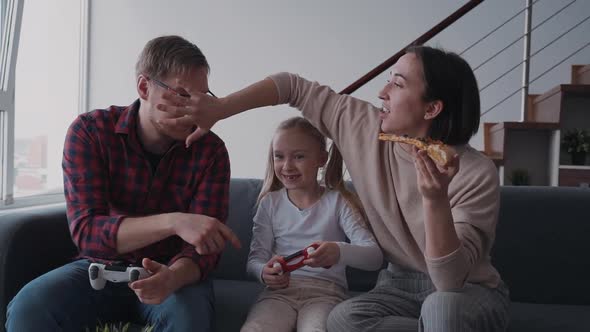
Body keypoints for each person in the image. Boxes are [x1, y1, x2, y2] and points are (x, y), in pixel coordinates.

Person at [156, 45, 511, 331]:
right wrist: (220, 108)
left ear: (432, 107)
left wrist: (435, 201)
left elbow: (449, 281)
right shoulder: (365, 128)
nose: (382, 92)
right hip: (397, 286)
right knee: (343, 319)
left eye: (398, 84)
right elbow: (291, 86)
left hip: (465, 291)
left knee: (442, 305)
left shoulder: (474, 173)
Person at [5, 35, 241, 332]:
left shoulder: (211, 151)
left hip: (171, 274)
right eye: (182, 94)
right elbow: (88, 232)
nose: (195, 109)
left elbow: (202, 251)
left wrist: (173, 277)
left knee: (189, 318)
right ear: (144, 87)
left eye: (202, 97)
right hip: (97, 269)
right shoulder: (90, 132)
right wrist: (174, 222)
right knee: (30, 307)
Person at [241, 117, 383, 332]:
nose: (287, 166)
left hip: (326, 293)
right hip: (279, 293)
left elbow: (374, 257)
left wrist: (338, 251)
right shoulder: (270, 203)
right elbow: (255, 260)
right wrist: (264, 272)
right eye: (279, 156)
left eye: (299, 156)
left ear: (321, 159)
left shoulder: (338, 202)